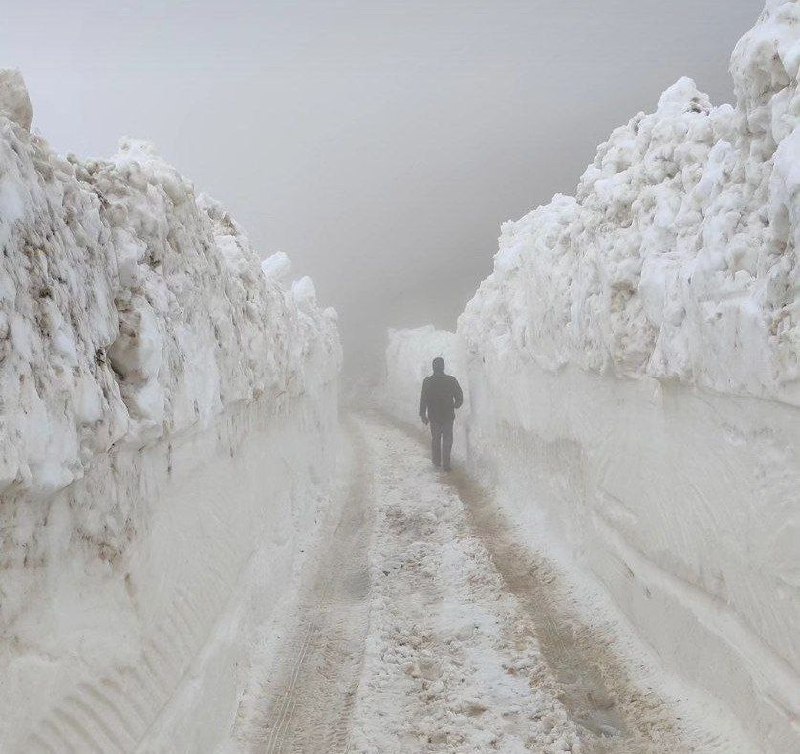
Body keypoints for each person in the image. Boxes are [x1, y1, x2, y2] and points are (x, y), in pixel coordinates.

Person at [419, 357, 463, 471]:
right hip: (448, 415)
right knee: (447, 440)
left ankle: (436, 462)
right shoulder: (451, 380)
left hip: (434, 416)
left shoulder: (427, 381)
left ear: (433, 367)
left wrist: (422, 414)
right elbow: (459, 396)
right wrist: (456, 405)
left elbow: (423, 399)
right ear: (443, 366)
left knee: (436, 439)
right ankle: (446, 464)